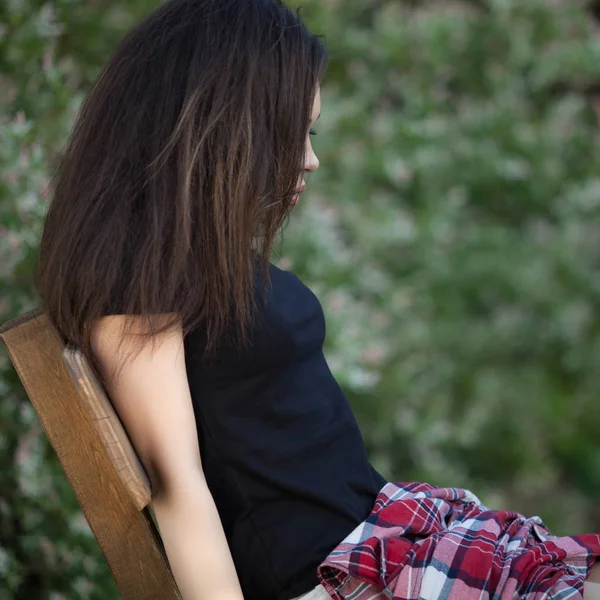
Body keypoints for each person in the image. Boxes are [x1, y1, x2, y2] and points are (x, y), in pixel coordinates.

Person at [33, 1, 600, 599]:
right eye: (290, 133)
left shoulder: (192, 267)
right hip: (340, 575)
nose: (310, 158)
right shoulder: (139, 288)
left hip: (386, 537)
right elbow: (180, 488)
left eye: (311, 132)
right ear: (222, 129)